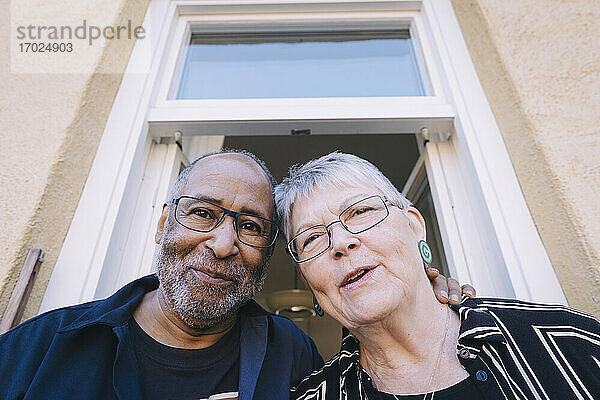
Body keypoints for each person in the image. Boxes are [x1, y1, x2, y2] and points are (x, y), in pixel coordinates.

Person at [0, 149, 468, 400]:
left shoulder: (294, 356)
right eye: (203, 213)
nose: (223, 245)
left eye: (250, 226)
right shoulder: (35, 350)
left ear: (265, 255)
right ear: (164, 226)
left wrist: (421, 294)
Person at [275, 151, 600, 400]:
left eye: (361, 211)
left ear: (415, 224)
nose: (341, 242)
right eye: (312, 238)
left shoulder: (569, 340)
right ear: (308, 282)